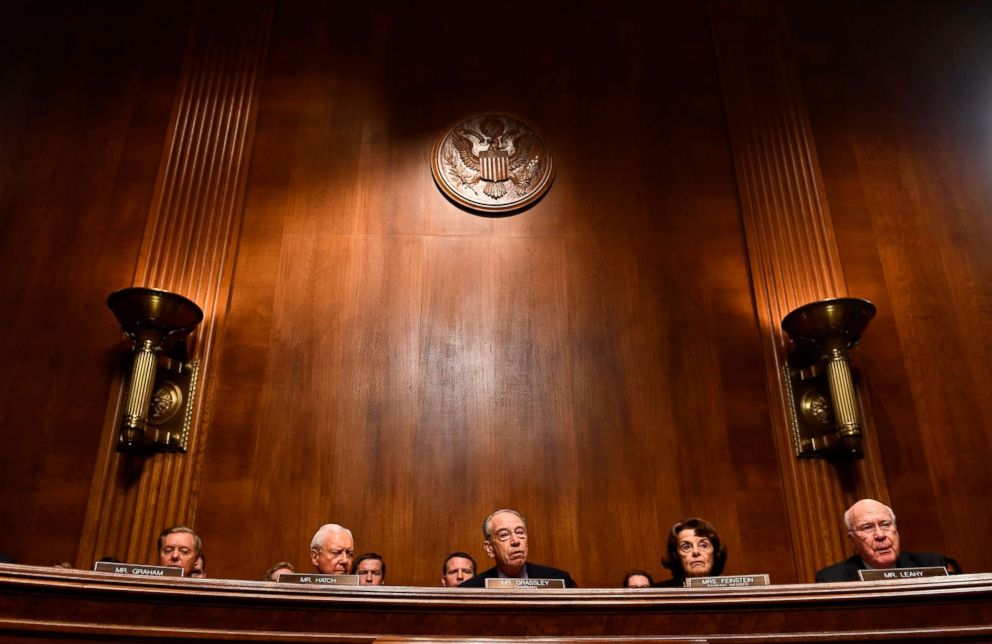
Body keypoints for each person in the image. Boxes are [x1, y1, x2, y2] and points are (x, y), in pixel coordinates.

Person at [815, 498, 950, 582]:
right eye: (867, 527)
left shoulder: (933, 564)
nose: (880, 535)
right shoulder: (832, 579)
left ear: (896, 529)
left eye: (885, 524)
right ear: (852, 541)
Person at [458, 509, 577, 587]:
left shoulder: (560, 581)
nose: (515, 541)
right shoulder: (471, 588)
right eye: (504, 535)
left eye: (520, 533)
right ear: (489, 548)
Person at [656, 518, 727, 587]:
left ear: (715, 552)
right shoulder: (657, 594)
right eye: (686, 547)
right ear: (676, 555)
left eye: (703, 545)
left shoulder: (731, 589)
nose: (696, 552)